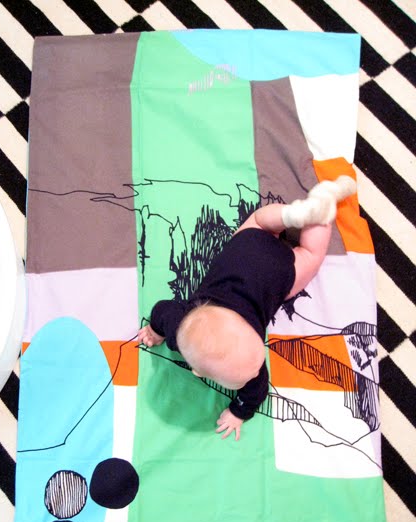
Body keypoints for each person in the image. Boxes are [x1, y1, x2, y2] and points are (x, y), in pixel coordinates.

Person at [138, 176, 356, 441]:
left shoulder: (240, 363)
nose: (257, 372)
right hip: (247, 243)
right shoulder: (176, 326)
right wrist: (156, 329)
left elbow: (256, 393)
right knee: (260, 220)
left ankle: (320, 211)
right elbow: (161, 310)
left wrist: (238, 412)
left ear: (198, 372)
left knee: (311, 255)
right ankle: (292, 215)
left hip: (279, 273)